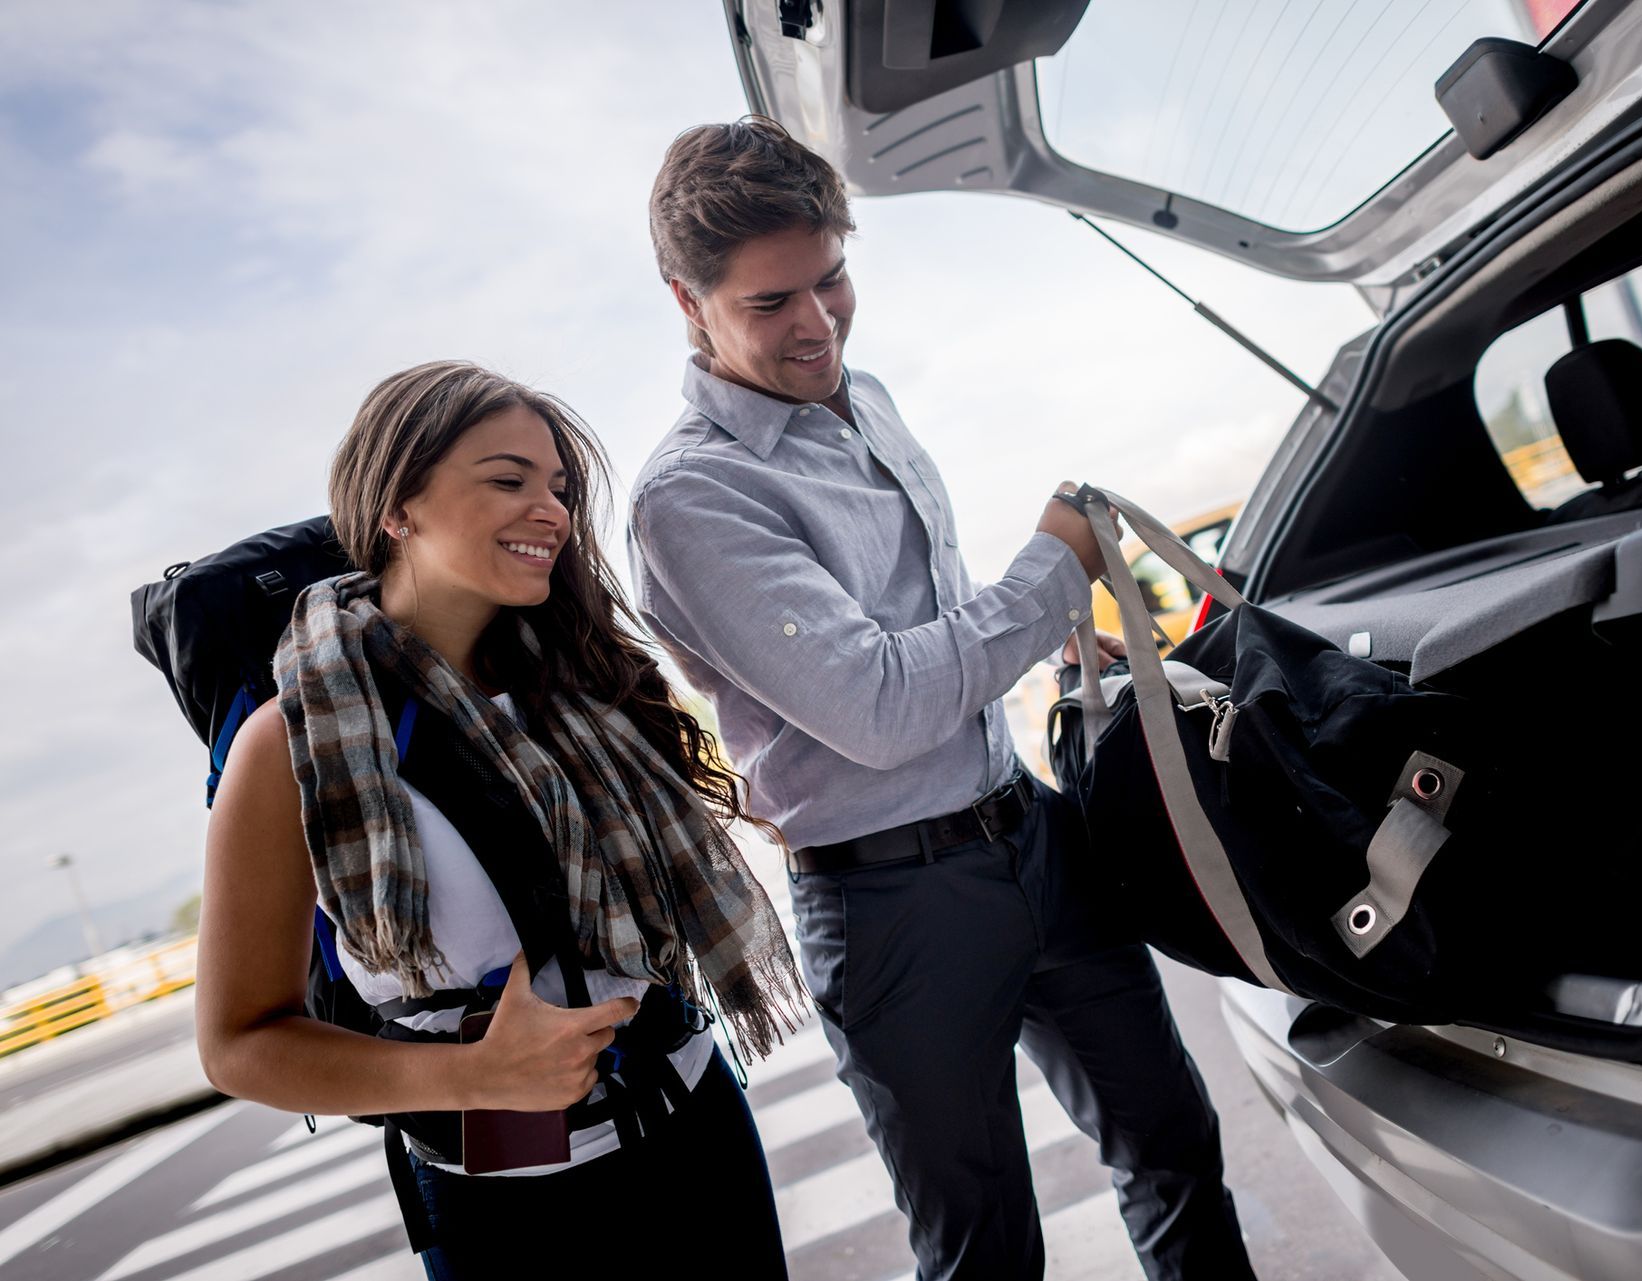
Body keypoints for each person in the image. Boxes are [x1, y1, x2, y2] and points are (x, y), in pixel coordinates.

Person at [628, 118, 1256, 1281]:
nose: (816, 325)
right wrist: (1053, 565)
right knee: (985, 1254)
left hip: (1031, 837)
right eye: (771, 304)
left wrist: (1064, 633)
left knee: (1176, 1144)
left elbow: (926, 612)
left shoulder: (862, 395)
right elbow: (874, 704)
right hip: (893, 912)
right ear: (688, 298)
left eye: (832, 280)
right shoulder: (692, 499)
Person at [197, 361, 804, 1279]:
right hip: (510, 1206)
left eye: (558, 487)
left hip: (697, 1126)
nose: (552, 511)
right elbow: (238, 1042)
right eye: (508, 480)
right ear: (399, 507)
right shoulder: (294, 741)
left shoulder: (583, 682)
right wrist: (473, 1076)